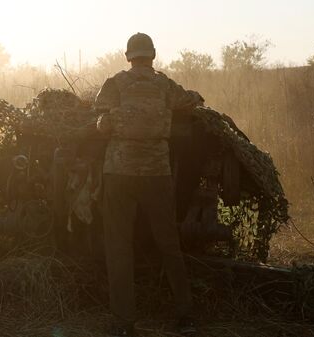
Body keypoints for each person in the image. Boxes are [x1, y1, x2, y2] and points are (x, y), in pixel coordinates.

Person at [95, 33, 204, 336]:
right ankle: (185, 316)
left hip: (118, 173)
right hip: (157, 173)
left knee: (118, 246)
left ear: (127, 56)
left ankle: (123, 322)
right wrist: (195, 95)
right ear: (153, 54)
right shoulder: (165, 84)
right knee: (169, 243)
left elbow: (99, 114)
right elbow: (191, 102)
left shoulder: (114, 83)